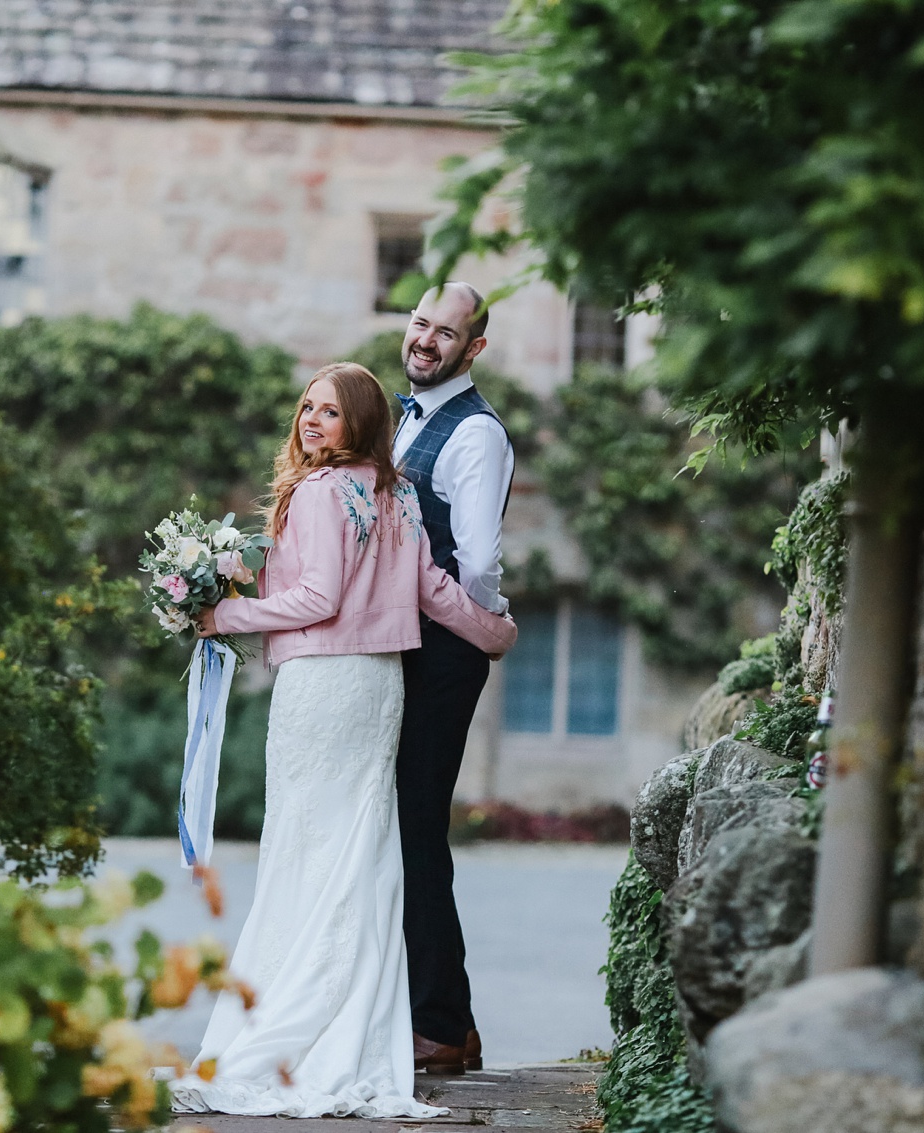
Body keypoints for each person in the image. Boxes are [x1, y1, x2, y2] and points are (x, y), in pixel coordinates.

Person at [170, 362, 516, 1120]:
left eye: (329, 411)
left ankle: (294, 1017)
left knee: (304, 848)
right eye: (306, 408)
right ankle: (352, 1018)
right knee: (357, 850)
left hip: (325, 686)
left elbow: (318, 597)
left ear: (360, 421)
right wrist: (494, 631)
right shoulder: (397, 494)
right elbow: (432, 590)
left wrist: (221, 617)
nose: (311, 422)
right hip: (378, 686)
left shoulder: (321, 492)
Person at [392, 282, 515, 1076]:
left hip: (444, 649)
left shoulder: (475, 435)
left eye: (447, 332)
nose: (427, 340)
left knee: (415, 823)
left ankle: (438, 1025)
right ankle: (448, 1021)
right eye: (420, 323)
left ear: (473, 349)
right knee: (402, 824)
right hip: (407, 645)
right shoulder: (408, 420)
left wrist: (483, 624)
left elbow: (476, 562)